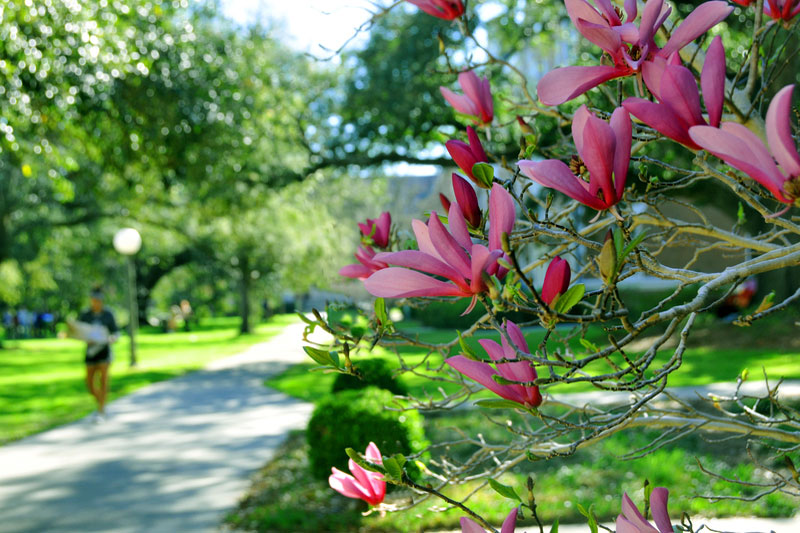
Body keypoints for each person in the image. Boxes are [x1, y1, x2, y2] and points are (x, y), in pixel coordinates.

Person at [77, 288, 119, 421]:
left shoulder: (108, 314)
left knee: (103, 380)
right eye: (94, 300)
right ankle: (101, 403)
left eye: (99, 300)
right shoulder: (86, 315)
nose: (96, 303)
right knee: (89, 382)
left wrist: (113, 338)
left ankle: (101, 410)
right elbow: (79, 330)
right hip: (90, 351)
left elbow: (116, 332)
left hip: (104, 350)